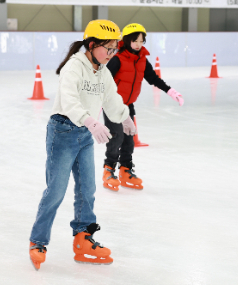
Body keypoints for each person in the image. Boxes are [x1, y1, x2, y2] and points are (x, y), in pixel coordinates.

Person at [28, 20, 136, 270]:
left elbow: (111, 99)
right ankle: (38, 240)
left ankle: (83, 239)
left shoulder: (103, 71)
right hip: (63, 131)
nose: (111, 54)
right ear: (91, 45)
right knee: (56, 190)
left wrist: (125, 116)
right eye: (107, 49)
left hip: (86, 135)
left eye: (114, 49)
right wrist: (90, 121)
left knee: (87, 190)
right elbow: (68, 101)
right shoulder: (74, 67)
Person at [102, 23, 184, 191]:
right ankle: (109, 170)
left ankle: (125, 170)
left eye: (141, 41)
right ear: (127, 40)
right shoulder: (117, 59)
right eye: (135, 40)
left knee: (129, 139)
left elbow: (153, 78)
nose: (138, 44)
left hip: (128, 105)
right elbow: (103, 81)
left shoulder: (142, 60)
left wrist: (170, 91)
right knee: (116, 137)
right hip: (112, 104)